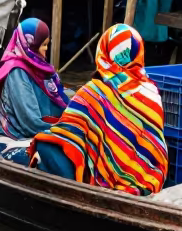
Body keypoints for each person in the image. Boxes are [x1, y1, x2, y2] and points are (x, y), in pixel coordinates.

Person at [30, 24, 168, 195]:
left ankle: (90, 185)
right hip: (149, 176)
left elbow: (67, 130)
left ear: (104, 49)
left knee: (45, 144)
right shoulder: (151, 91)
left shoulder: (94, 91)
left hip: (106, 177)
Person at [0, 18, 69, 162]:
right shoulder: (16, 72)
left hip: (39, 131)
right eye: (43, 45)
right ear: (30, 44)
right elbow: (29, 121)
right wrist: (66, 131)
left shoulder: (43, 69)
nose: (46, 49)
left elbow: (62, 102)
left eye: (48, 44)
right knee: (57, 157)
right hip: (13, 137)